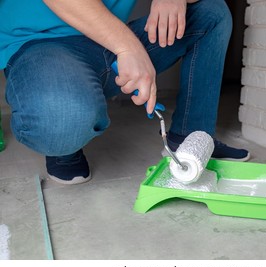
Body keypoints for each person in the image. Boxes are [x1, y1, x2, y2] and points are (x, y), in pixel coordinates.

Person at [0, 0, 250, 185]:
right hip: (41, 45)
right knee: (62, 117)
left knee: (212, 12)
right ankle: (65, 148)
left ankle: (191, 137)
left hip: (109, 41)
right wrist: (128, 47)